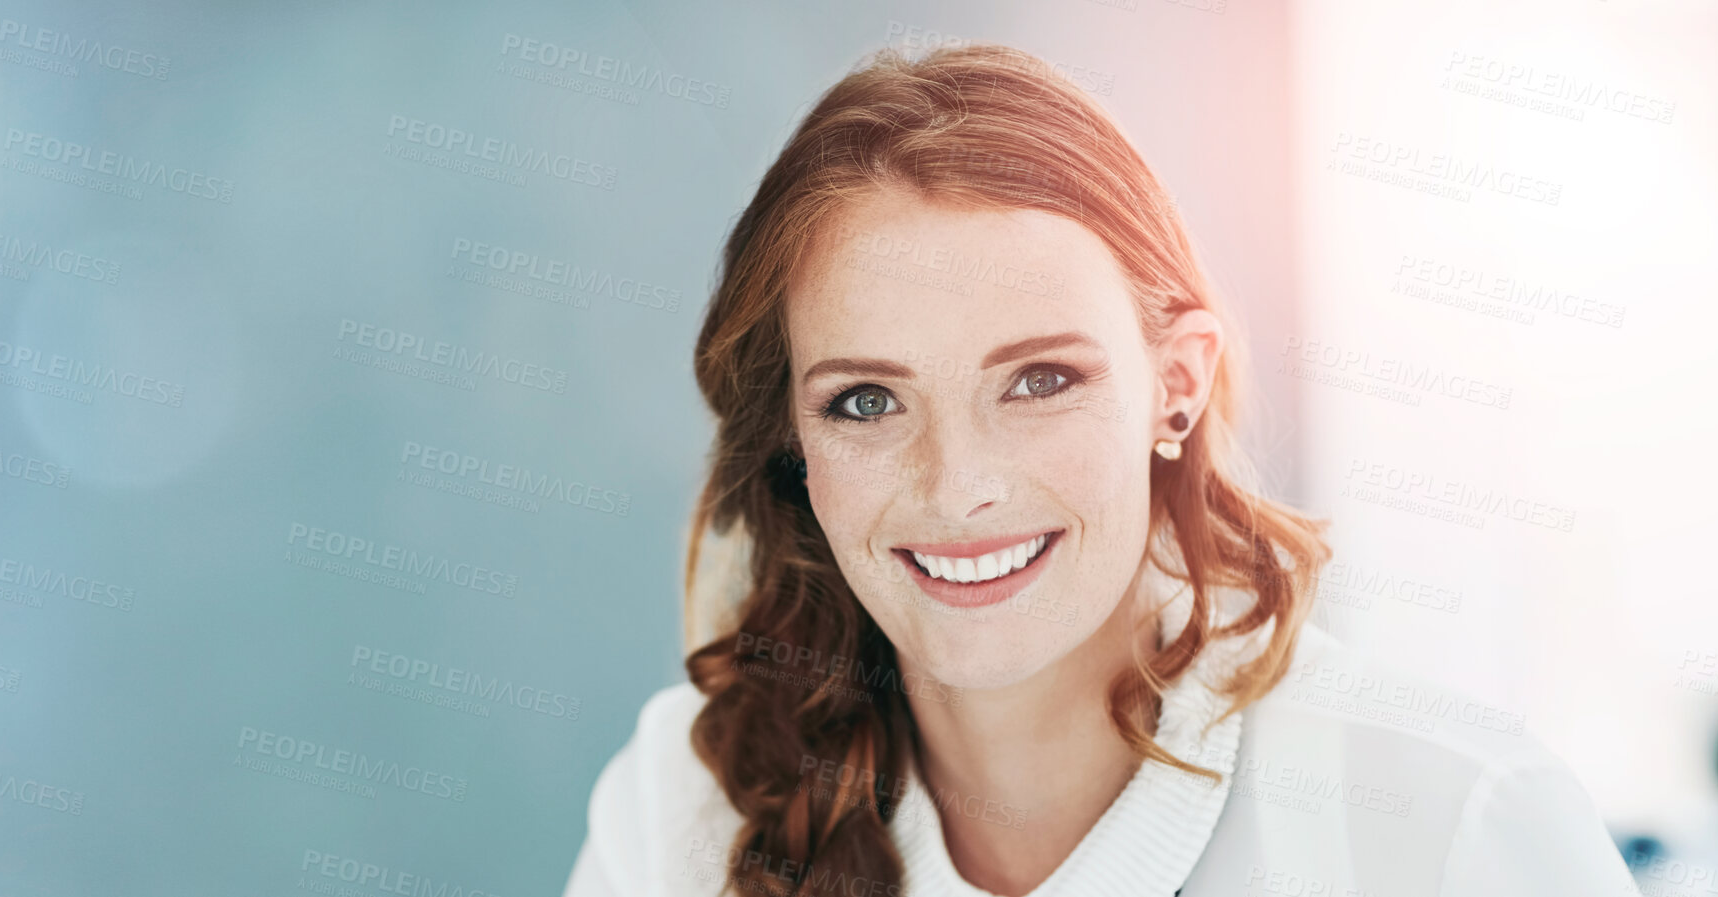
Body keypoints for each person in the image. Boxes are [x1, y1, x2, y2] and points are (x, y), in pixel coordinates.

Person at [563, 44, 1638, 897]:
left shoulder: (1452, 821)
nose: (957, 486)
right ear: (793, 444)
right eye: (867, 401)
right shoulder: (686, 799)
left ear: (1174, 386)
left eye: (1038, 381)